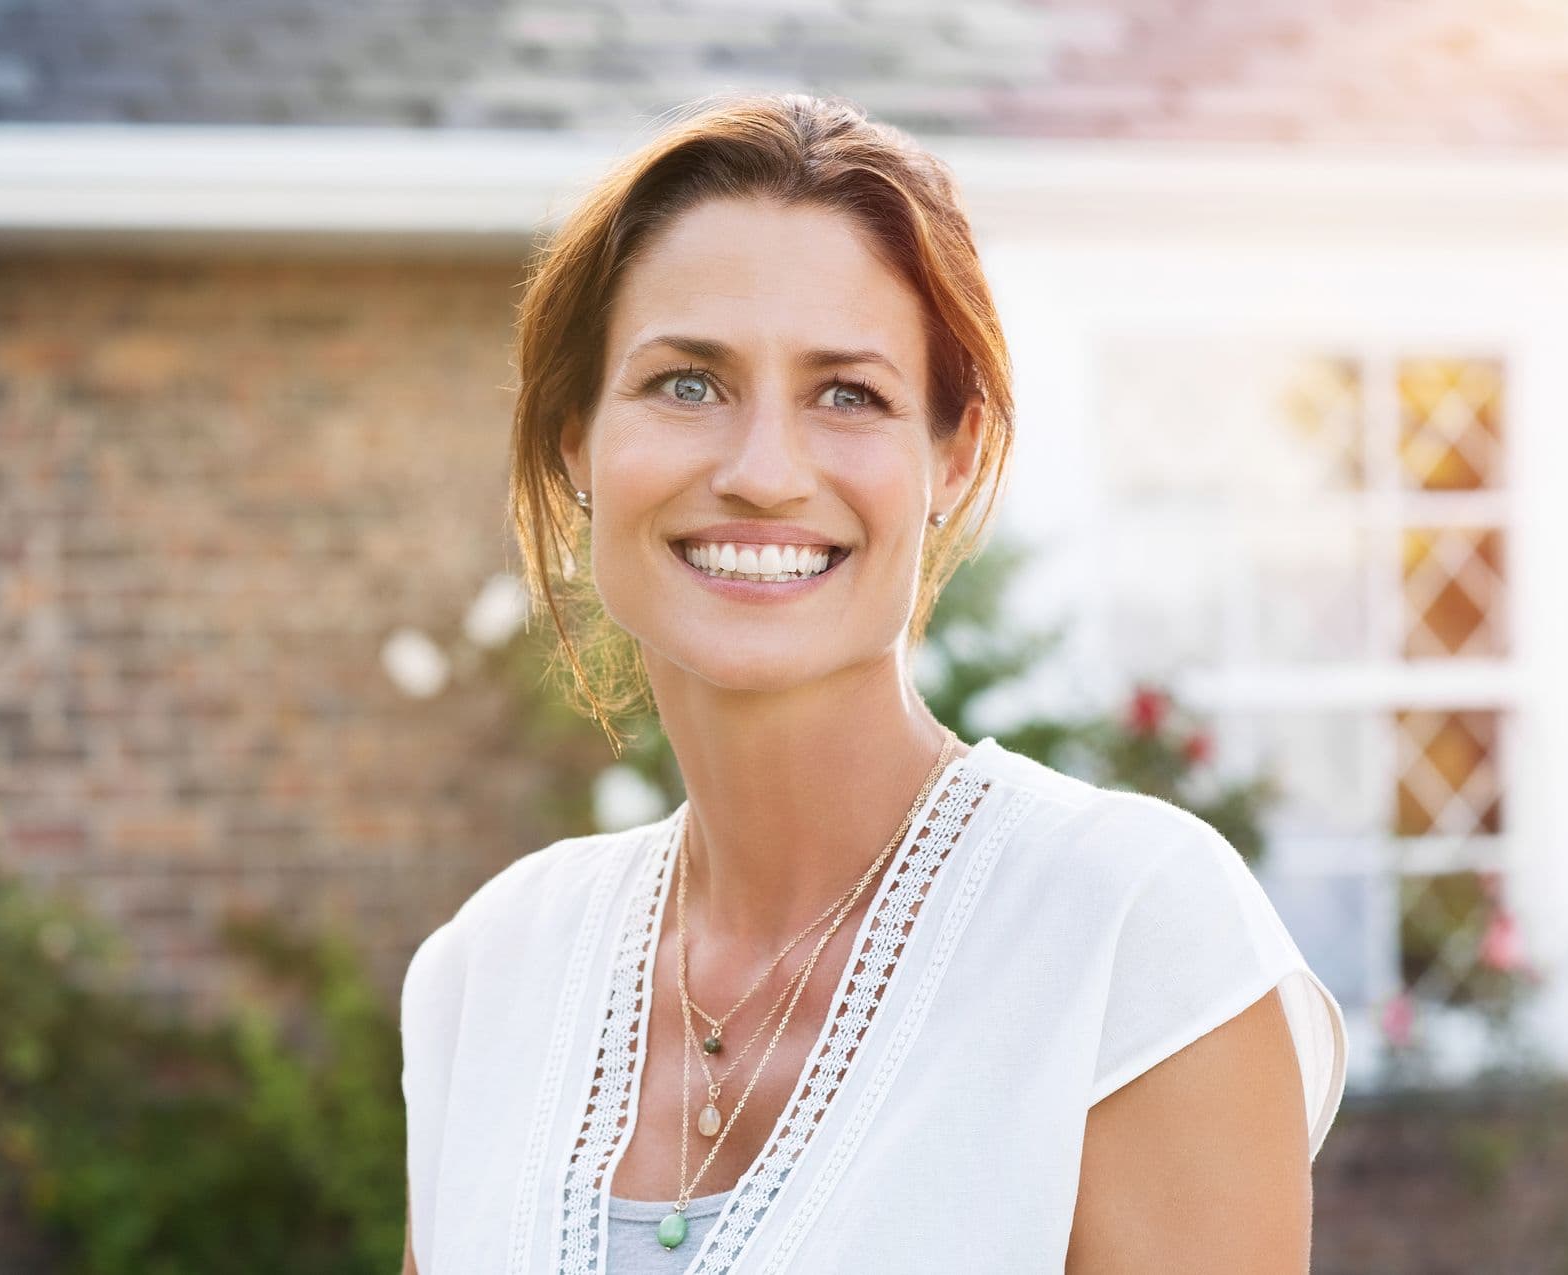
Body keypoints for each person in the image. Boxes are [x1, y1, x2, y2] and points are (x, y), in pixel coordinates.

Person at [398, 91, 1347, 1274]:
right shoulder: (488, 972)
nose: (762, 472)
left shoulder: (1132, 938)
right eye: (687, 383)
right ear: (576, 438)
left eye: (848, 393)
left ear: (952, 457)